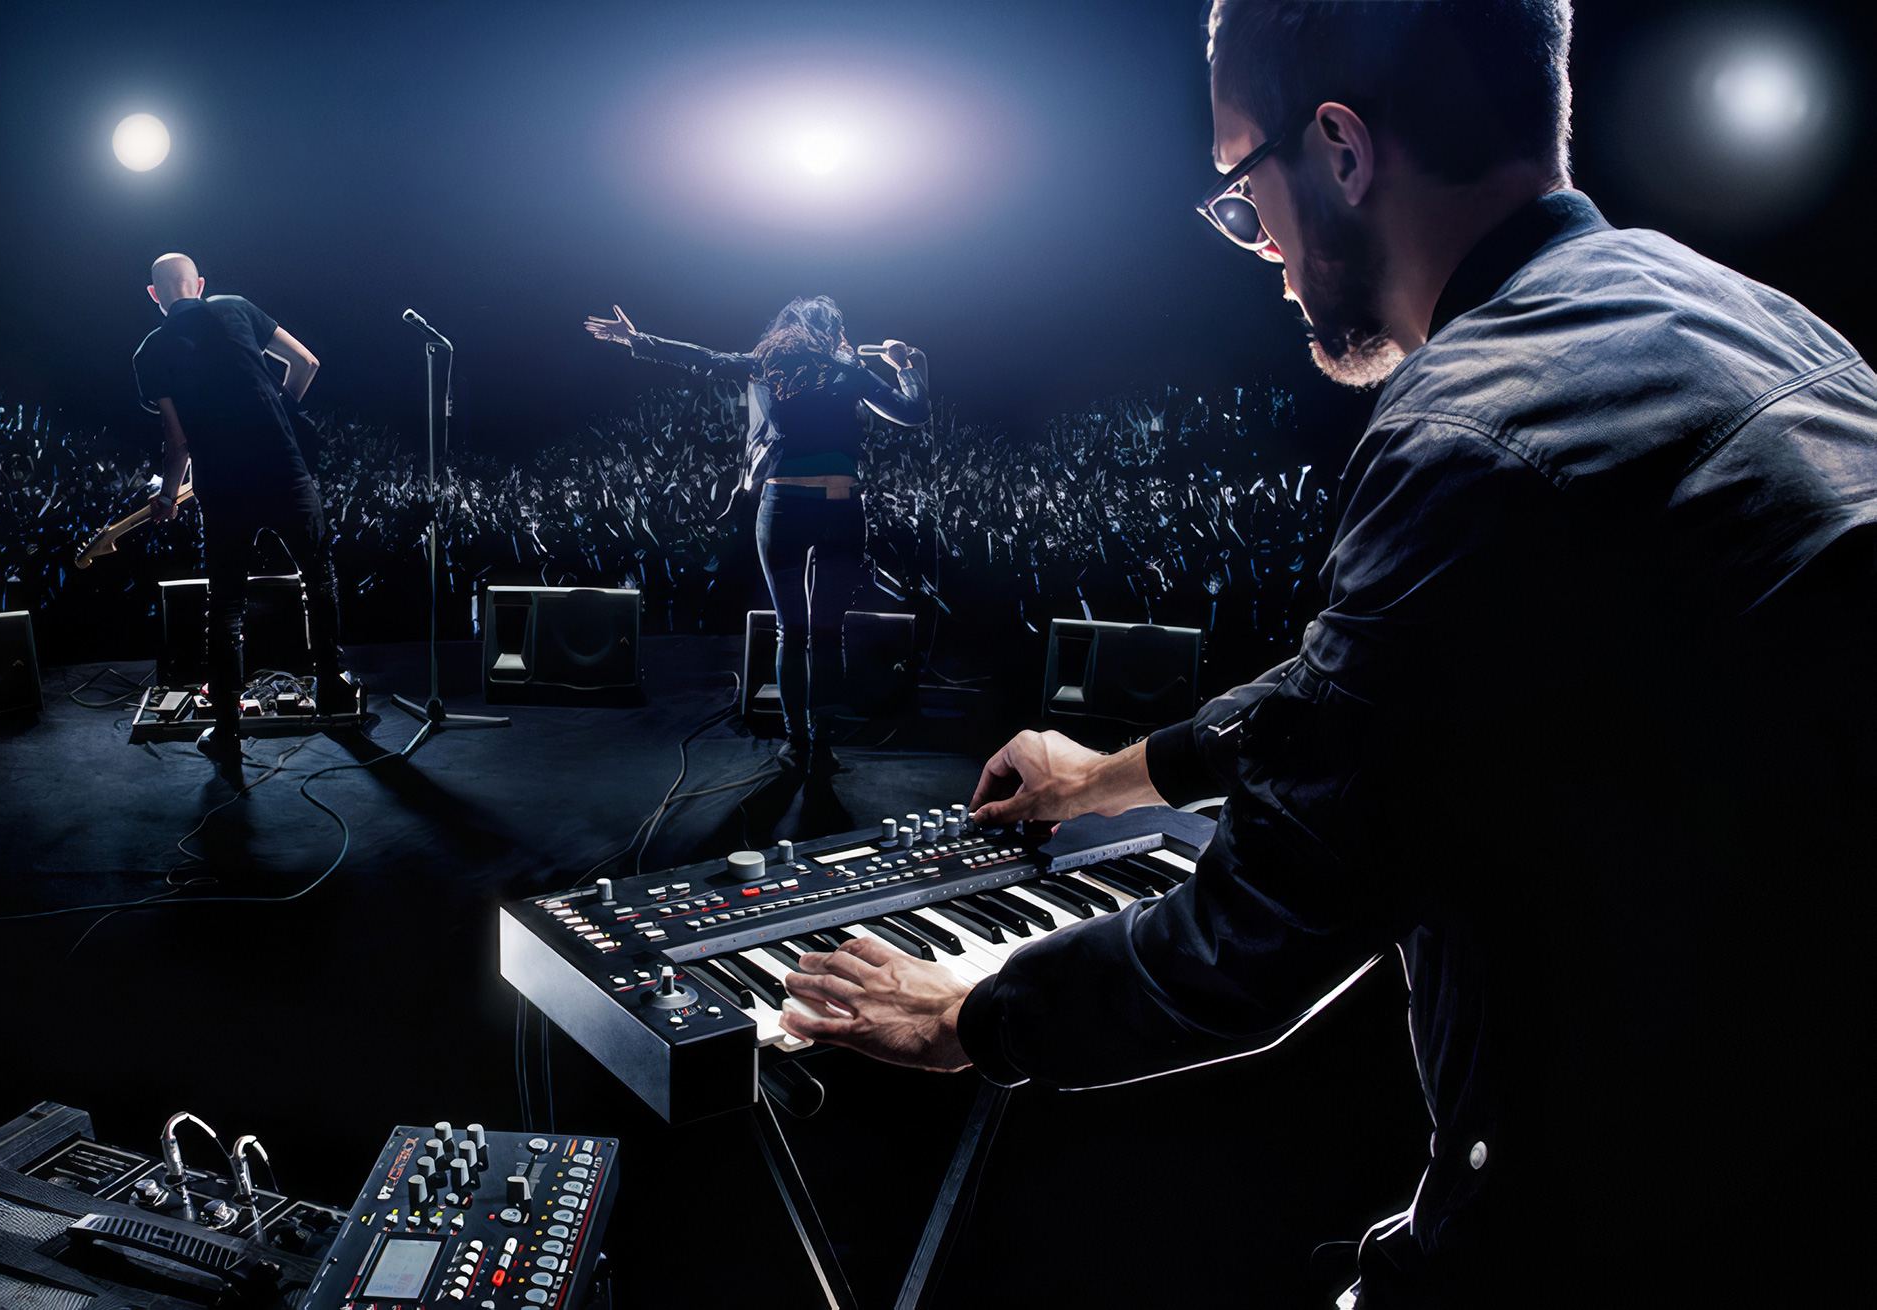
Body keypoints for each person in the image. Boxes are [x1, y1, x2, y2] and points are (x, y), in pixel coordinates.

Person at [779, 3, 1875, 1305]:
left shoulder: (1473, 428)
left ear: (1341, 151)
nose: (1271, 256)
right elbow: (1377, 690)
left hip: (1645, 1222)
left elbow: (1256, 931)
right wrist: (1110, 776)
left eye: (1248, 195)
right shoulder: (1767, 327)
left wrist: (970, 1016)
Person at [586, 297, 929, 773]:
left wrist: (637, 339)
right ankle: (822, 747)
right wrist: (910, 365)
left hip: (784, 507)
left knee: (794, 631)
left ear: (790, 329)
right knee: (827, 633)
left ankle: (797, 744)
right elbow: (913, 412)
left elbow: (701, 358)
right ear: (832, 332)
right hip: (841, 508)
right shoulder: (847, 371)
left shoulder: (768, 364)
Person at [133, 253, 355, 773]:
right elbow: (307, 364)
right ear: (201, 284)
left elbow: (177, 439)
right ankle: (331, 692)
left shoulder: (151, 351)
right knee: (318, 580)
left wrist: (167, 496)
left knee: (226, 605)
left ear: (154, 295)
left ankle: (228, 731)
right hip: (284, 468)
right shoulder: (234, 307)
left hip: (224, 486)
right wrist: (282, 409)